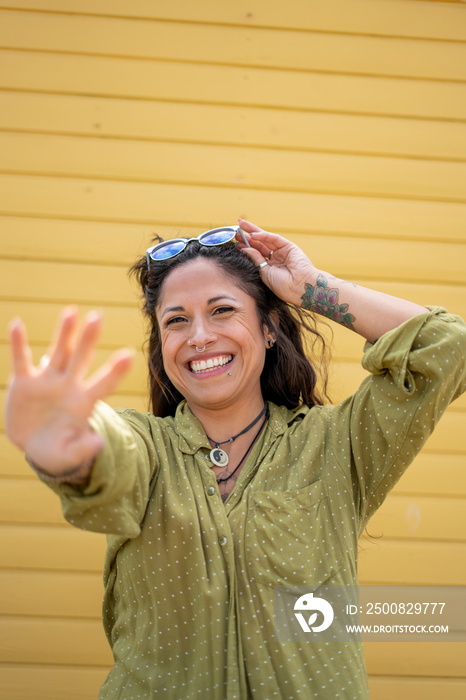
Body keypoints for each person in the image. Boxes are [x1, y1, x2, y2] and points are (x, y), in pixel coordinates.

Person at [5, 219, 466, 699]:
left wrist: (311, 289)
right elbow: (106, 454)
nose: (199, 336)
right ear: (163, 349)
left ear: (269, 330)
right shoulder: (146, 444)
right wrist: (64, 445)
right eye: (176, 320)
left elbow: (448, 346)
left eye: (222, 310)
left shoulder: (336, 446)